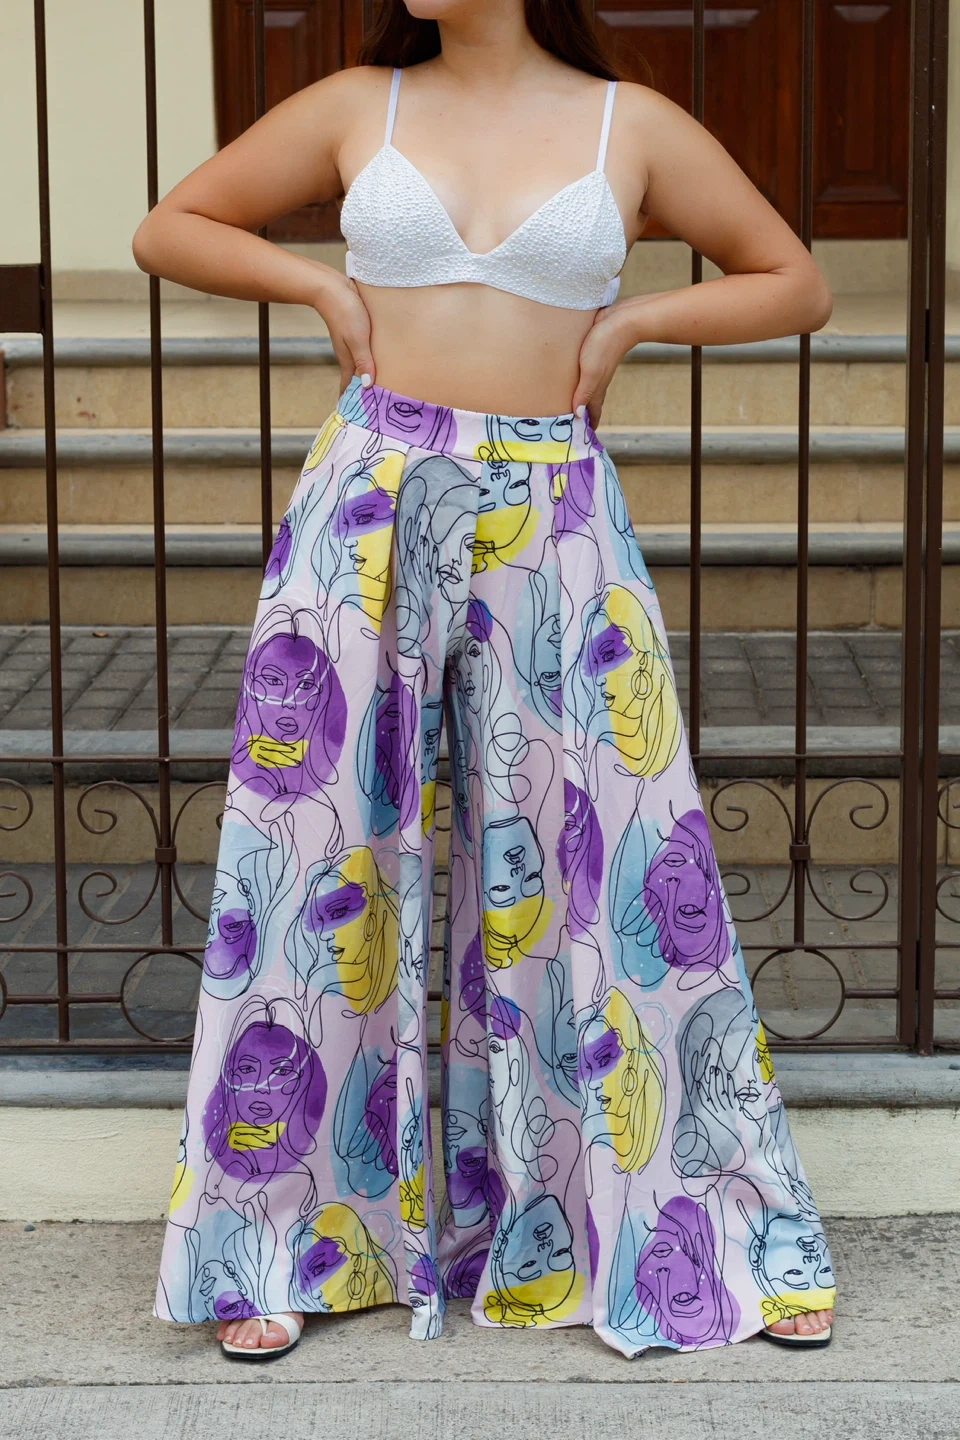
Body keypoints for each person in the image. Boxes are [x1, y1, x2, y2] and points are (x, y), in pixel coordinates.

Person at [135, 0, 836, 1360]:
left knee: (610, 853)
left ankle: (695, 1225)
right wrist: (324, 289)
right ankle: (271, 1241)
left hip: (554, 509)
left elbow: (792, 280)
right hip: (371, 499)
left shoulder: (631, 123)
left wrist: (637, 323)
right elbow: (173, 226)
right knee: (320, 854)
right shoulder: (361, 106)